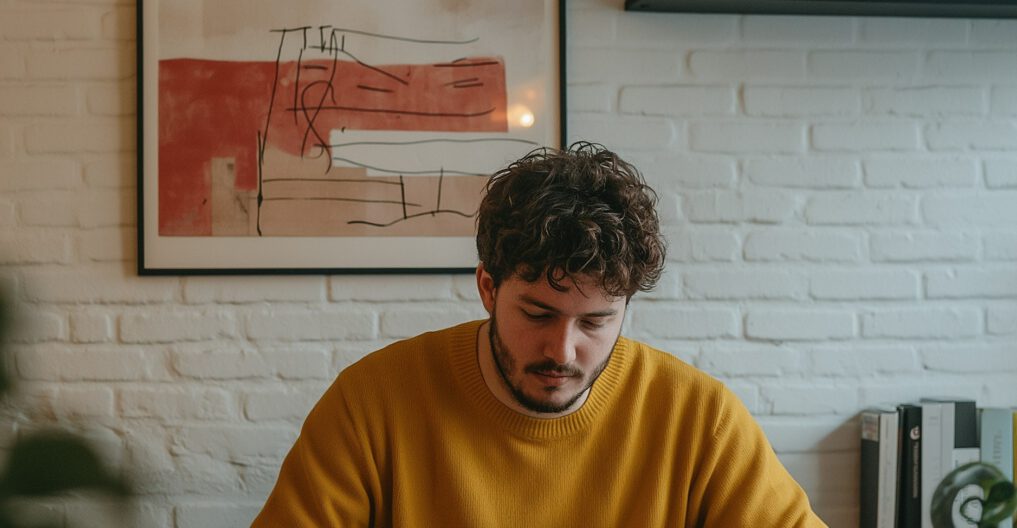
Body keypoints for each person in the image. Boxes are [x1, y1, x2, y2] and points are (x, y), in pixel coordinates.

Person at [252, 142, 827, 527]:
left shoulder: (699, 419)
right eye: (537, 314)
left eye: (596, 322)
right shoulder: (371, 403)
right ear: (488, 288)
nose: (563, 350)